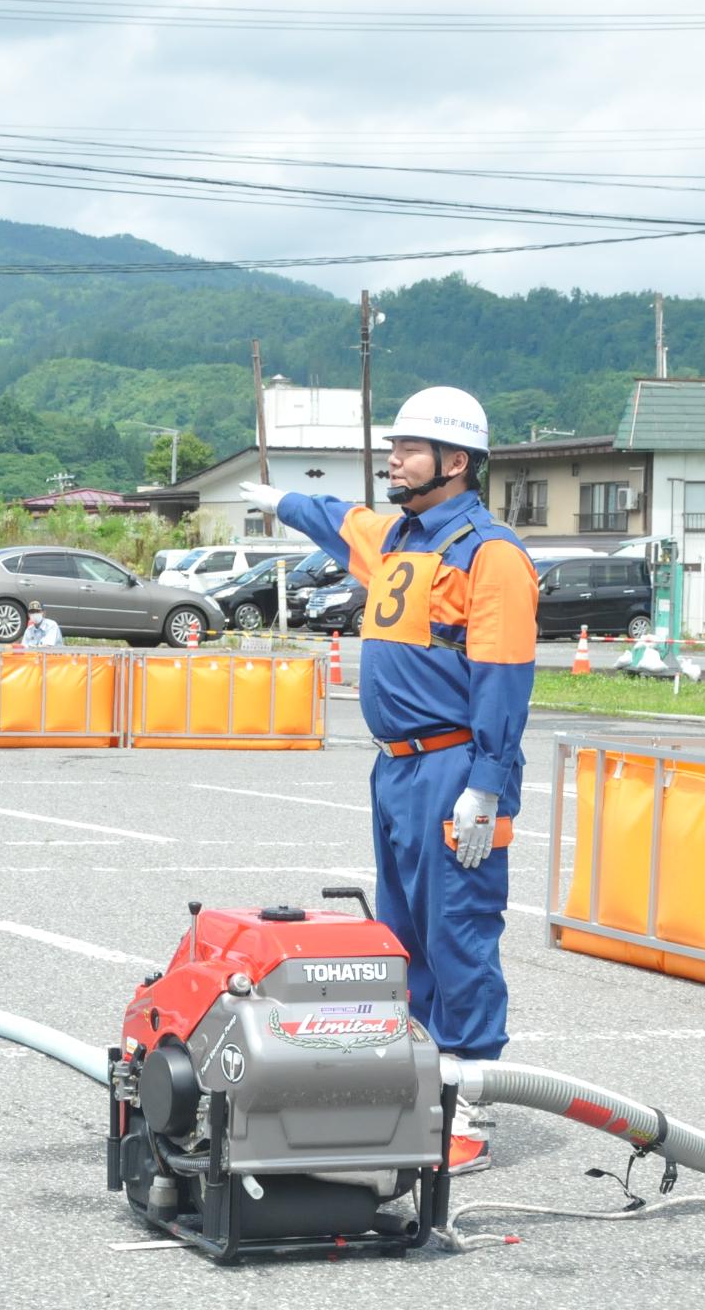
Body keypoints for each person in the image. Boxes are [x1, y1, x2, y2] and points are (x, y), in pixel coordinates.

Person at [238, 384, 537, 1177]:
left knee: (459, 932)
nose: (393, 459)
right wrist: (281, 501)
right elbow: (340, 520)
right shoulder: (402, 535)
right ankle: (419, 1089)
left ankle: (470, 1101)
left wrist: (488, 783)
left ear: (456, 462)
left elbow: (504, 679)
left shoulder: (491, 554)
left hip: (454, 769)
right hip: (397, 770)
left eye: (408, 448)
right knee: (403, 940)